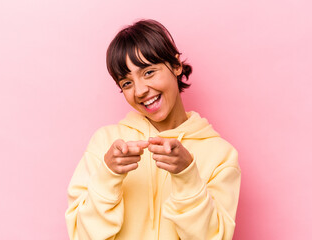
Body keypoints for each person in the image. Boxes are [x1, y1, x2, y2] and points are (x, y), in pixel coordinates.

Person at [65, 19, 241, 240]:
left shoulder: (221, 156)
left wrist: (187, 176)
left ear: (176, 66)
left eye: (148, 72)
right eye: (126, 83)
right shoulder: (105, 144)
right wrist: (108, 176)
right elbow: (83, 236)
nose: (139, 91)